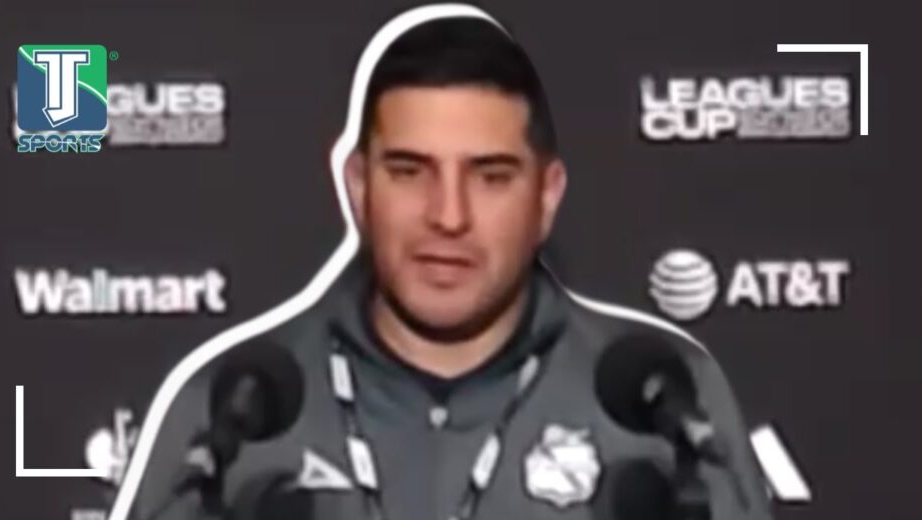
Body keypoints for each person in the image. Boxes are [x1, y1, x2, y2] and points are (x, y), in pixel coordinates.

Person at [123, 14, 773, 520]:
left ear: (546, 197)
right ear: (358, 187)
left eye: (490, 176)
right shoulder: (235, 409)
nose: (449, 216)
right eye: (411, 172)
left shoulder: (664, 405)